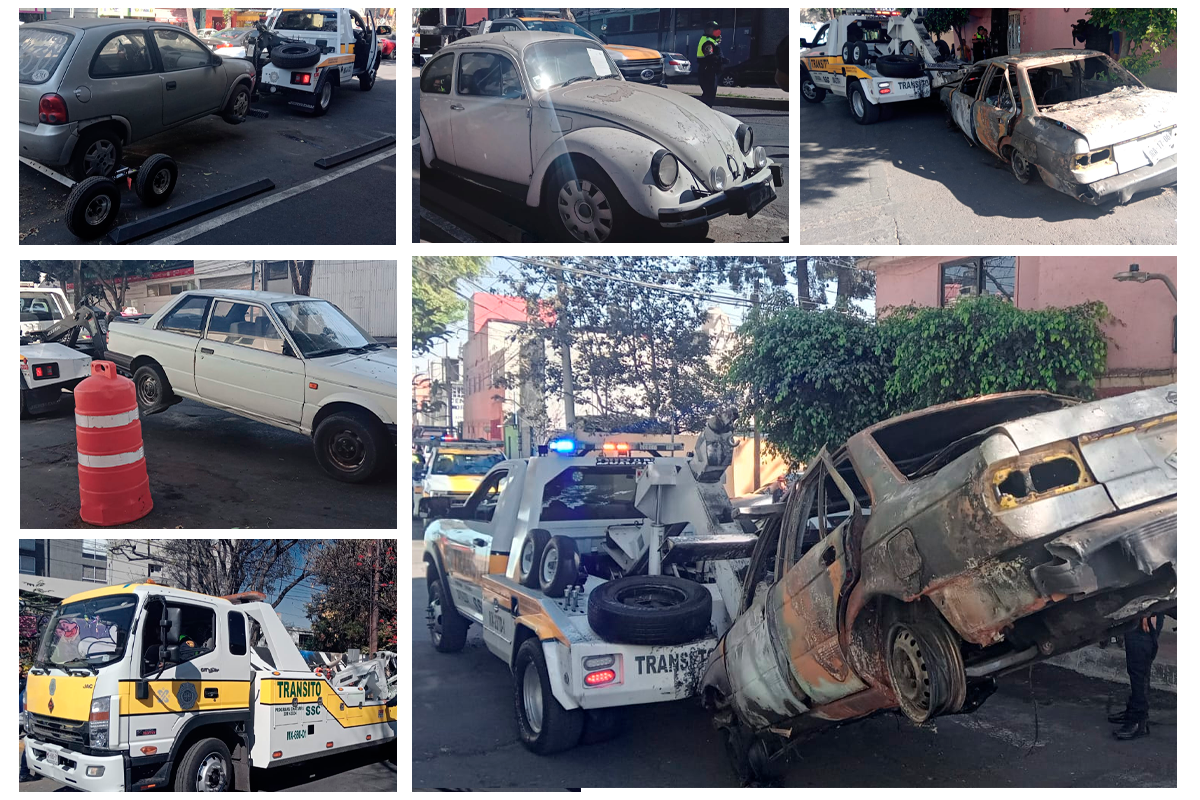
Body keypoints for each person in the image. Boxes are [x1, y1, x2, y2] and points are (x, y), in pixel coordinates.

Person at [1110, 613, 1165, 740]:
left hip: (1146, 616)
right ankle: (1133, 711)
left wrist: (1149, 613)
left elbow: (1156, 592)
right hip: (1139, 615)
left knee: (1139, 669)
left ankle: (1139, 720)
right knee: (1136, 668)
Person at [696, 21, 724, 107]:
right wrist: (722, 60)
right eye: (715, 29)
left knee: (709, 95)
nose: (717, 31)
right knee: (708, 96)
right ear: (708, 30)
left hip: (709, 70)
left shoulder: (711, 40)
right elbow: (710, 56)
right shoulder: (707, 42)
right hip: (708, 71)